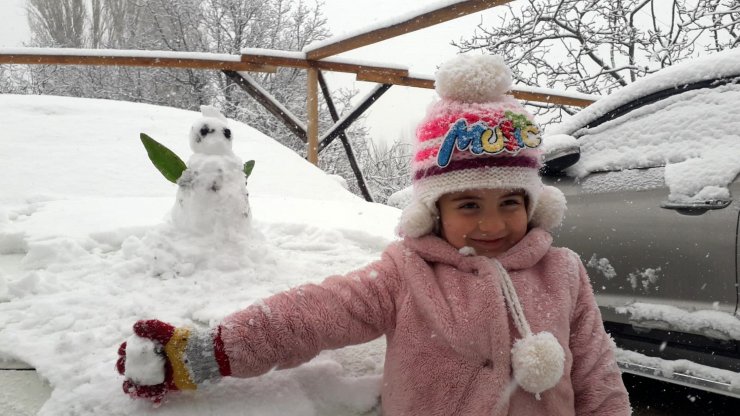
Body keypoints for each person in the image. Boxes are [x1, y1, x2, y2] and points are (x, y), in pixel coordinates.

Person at [116, 54, 631, 415]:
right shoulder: (407, 273)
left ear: (533, 203)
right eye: (469, 204)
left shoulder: (561, 273)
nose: (493, 224)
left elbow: (596, 377)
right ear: (434, 208)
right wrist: (207, 352)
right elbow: (311, 315)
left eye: (510, 203)